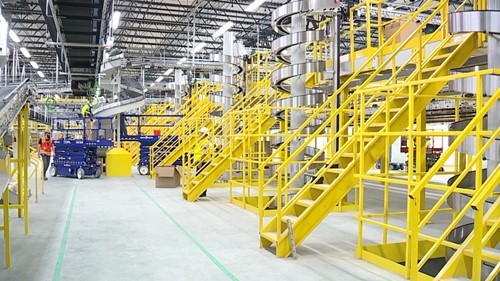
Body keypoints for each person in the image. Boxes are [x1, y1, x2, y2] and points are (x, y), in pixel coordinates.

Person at [192, 127, 211, 197]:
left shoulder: (205, 142)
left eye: (200, 133)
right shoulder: (201, 142)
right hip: (200, 162)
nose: (199, 134)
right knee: (198, 177)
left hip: (203, 162)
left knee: (201, 178)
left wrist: (200, 162)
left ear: (204, 134)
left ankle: (202, 193)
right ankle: (200, 192)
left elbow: (204, 153)